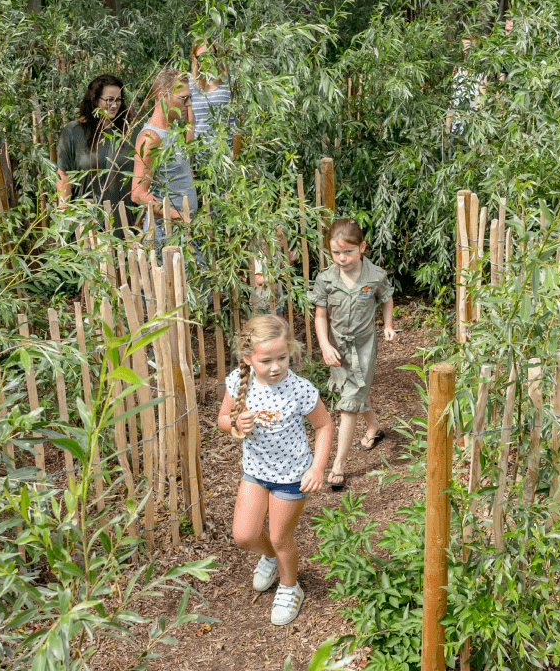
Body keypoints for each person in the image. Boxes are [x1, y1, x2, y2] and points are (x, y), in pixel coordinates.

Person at [217, 313, 332, 626]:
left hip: (292, 477)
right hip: (255, 471)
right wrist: (234, 424)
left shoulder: (300, 389)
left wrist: (318, 468)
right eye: (266, 360)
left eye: (282, 357)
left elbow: (323, 426)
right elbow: (222, 419)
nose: (276, 366)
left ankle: (290, 587)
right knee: (244, 534)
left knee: (282, 537)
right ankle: (268, 557)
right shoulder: (239, 380)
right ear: (247, 357)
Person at [310, 218, 396, 491]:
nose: (342, 258)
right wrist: (324, 345)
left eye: (348, 252)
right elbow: (320, 314)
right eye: (336, 253)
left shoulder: (375, 276)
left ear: (362, 247)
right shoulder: (325, 278)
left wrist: (389, 325)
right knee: (356, 388)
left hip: (364, 345)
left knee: (349, 402)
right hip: (337, 347)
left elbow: (386, 298)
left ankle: (338, 465)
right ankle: (373, 426)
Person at [131, 67, 199, 243]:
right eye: (183, 99)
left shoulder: (173, 130)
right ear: (162, 96)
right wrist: (178, 217)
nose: (188, 104)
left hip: (184, 231)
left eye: (189, 98)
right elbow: (138, 193)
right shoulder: (151, 137)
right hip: (166, 233)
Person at [56, 74, 133, 213]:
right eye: (109, 100)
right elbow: (64, 176)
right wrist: (64, 215)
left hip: (124, 219)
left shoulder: (130, 133)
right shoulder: (74, 132)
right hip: (86, 220)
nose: (115, 105)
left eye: (118, 100)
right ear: (95, 99)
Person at [188, 40, 233, 168]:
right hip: (201, 161)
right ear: (194, 58)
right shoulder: (191, 85)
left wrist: (236, 153)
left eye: (211, 56)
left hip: (227, 158)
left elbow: (242, 117)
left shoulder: (229, 81)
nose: (207, 61)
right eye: (202, 57)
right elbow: (191, 124)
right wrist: (189, 163)